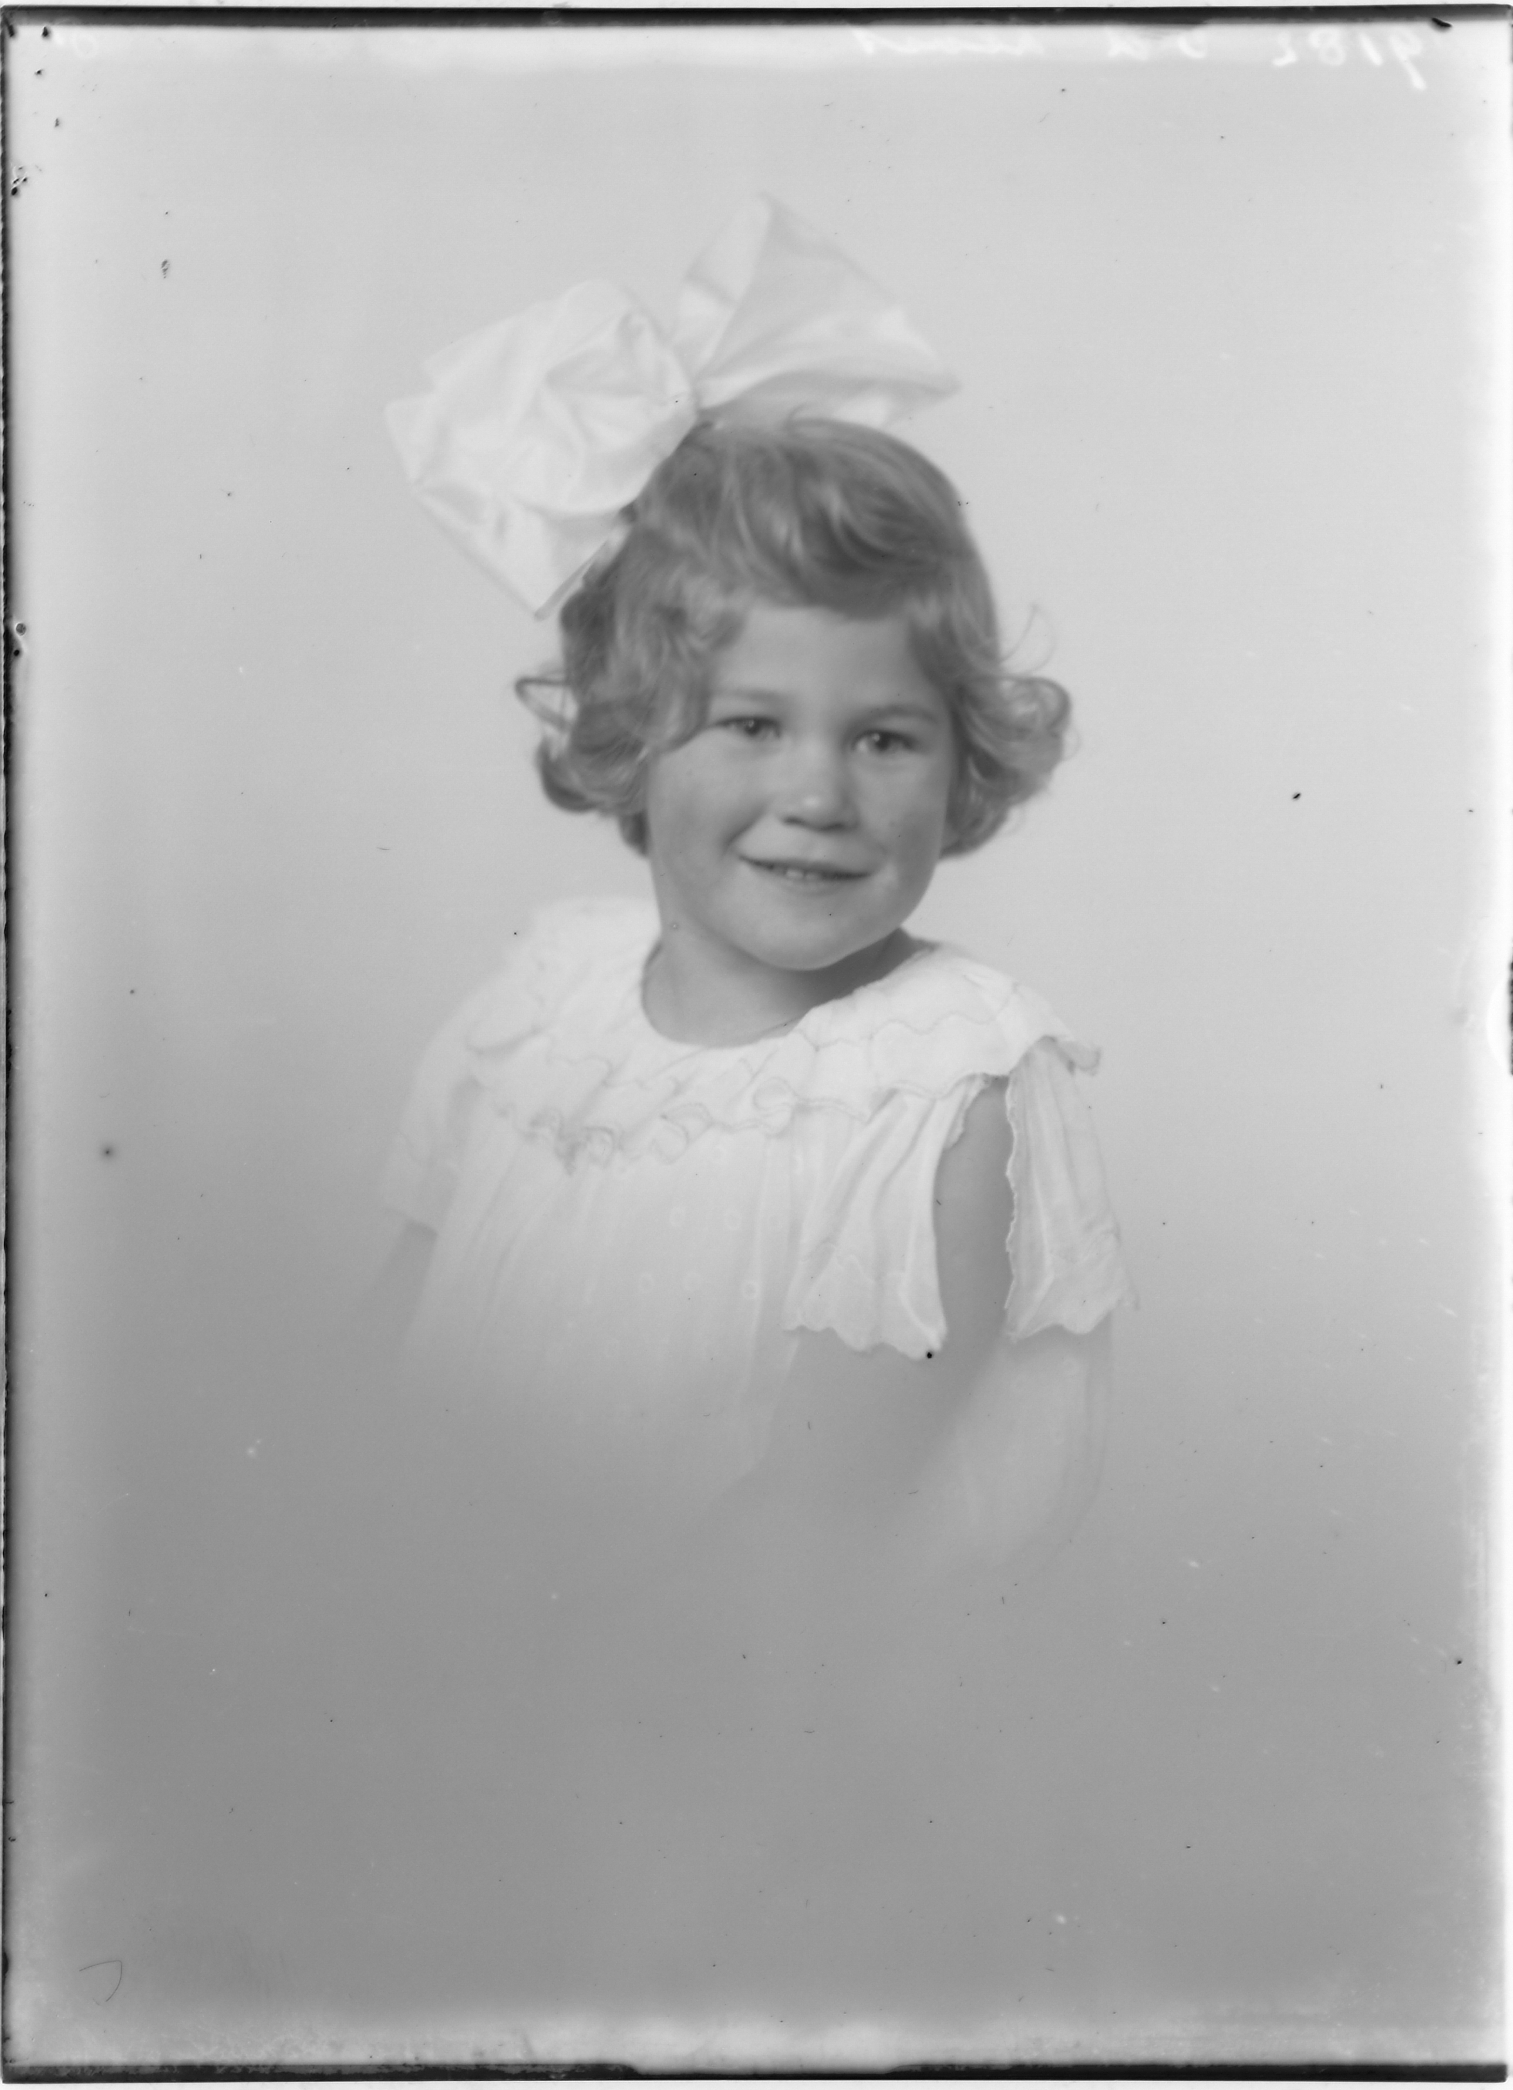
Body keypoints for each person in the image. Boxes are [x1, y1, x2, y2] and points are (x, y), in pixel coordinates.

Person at [368, 196, 1135, 2012]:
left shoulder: (943, 1079)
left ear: (960, 764)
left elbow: (820, 1518)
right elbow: (379, 1360)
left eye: (883, 737)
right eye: (747, 724)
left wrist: (516, 1703)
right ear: (629, 738)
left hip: (758, 1754)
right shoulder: (533, 1008)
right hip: (461, 1699)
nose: (817, 793)